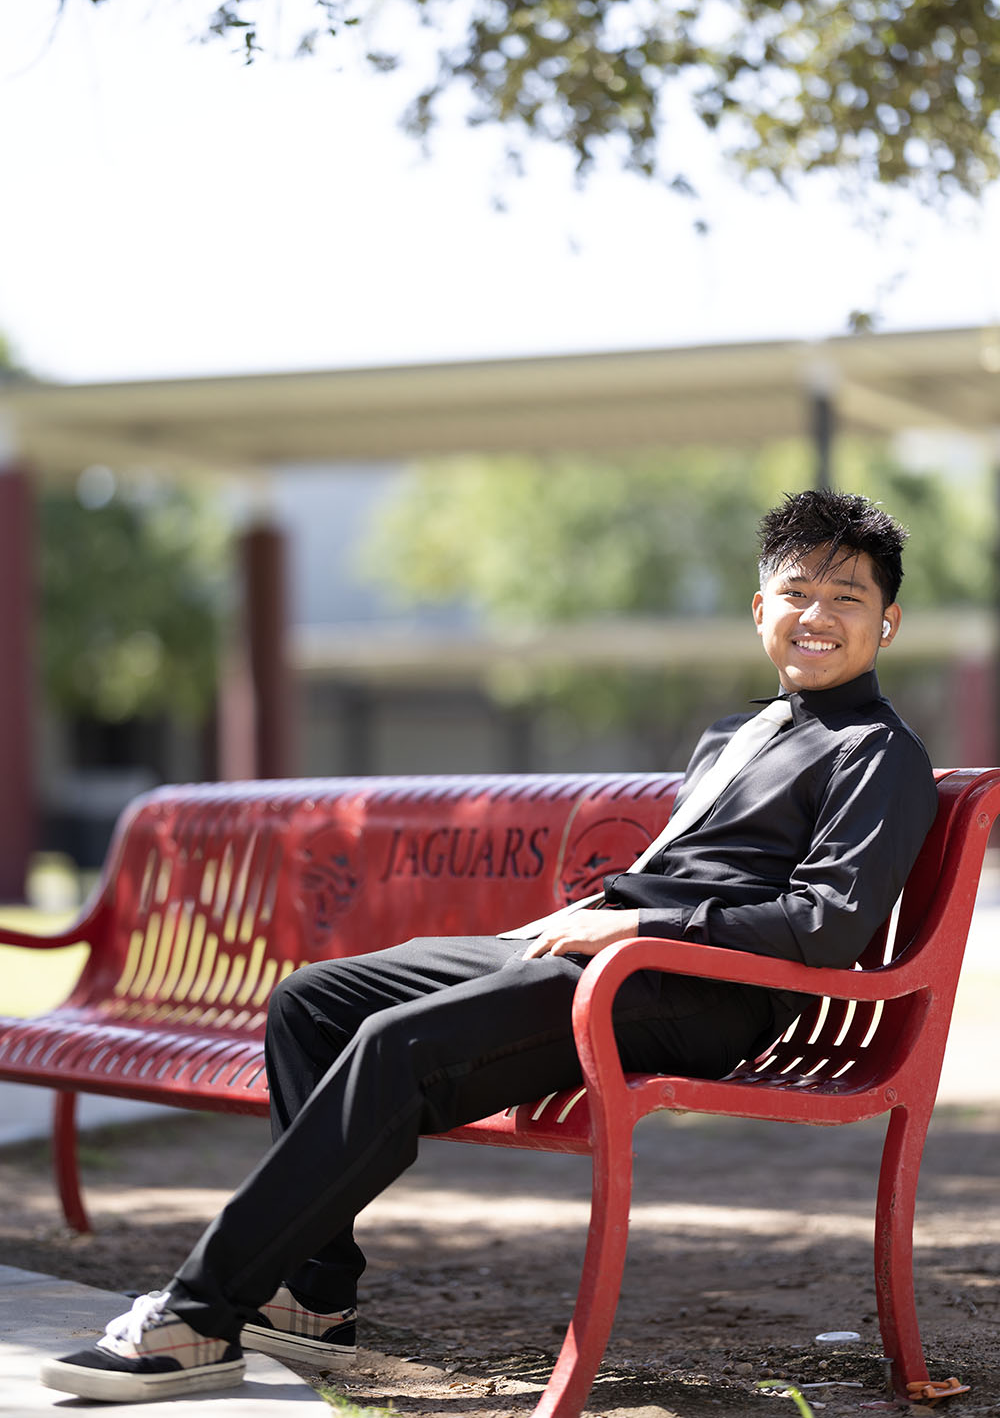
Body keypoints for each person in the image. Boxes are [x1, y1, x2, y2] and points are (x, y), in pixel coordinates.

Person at [41, 488, 938, 1404]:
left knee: (399, 1050)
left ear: (888, 623)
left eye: (848, 598)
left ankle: (196, 1316)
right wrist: (587, 923)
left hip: (694, 986)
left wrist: (632, 925)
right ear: (760, 611)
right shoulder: (736, 733)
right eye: (796, 593)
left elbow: (828, 922)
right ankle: (313, 1301)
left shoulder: (878, 752)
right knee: (313, 1001)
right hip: (606, 954)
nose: (816, 616)